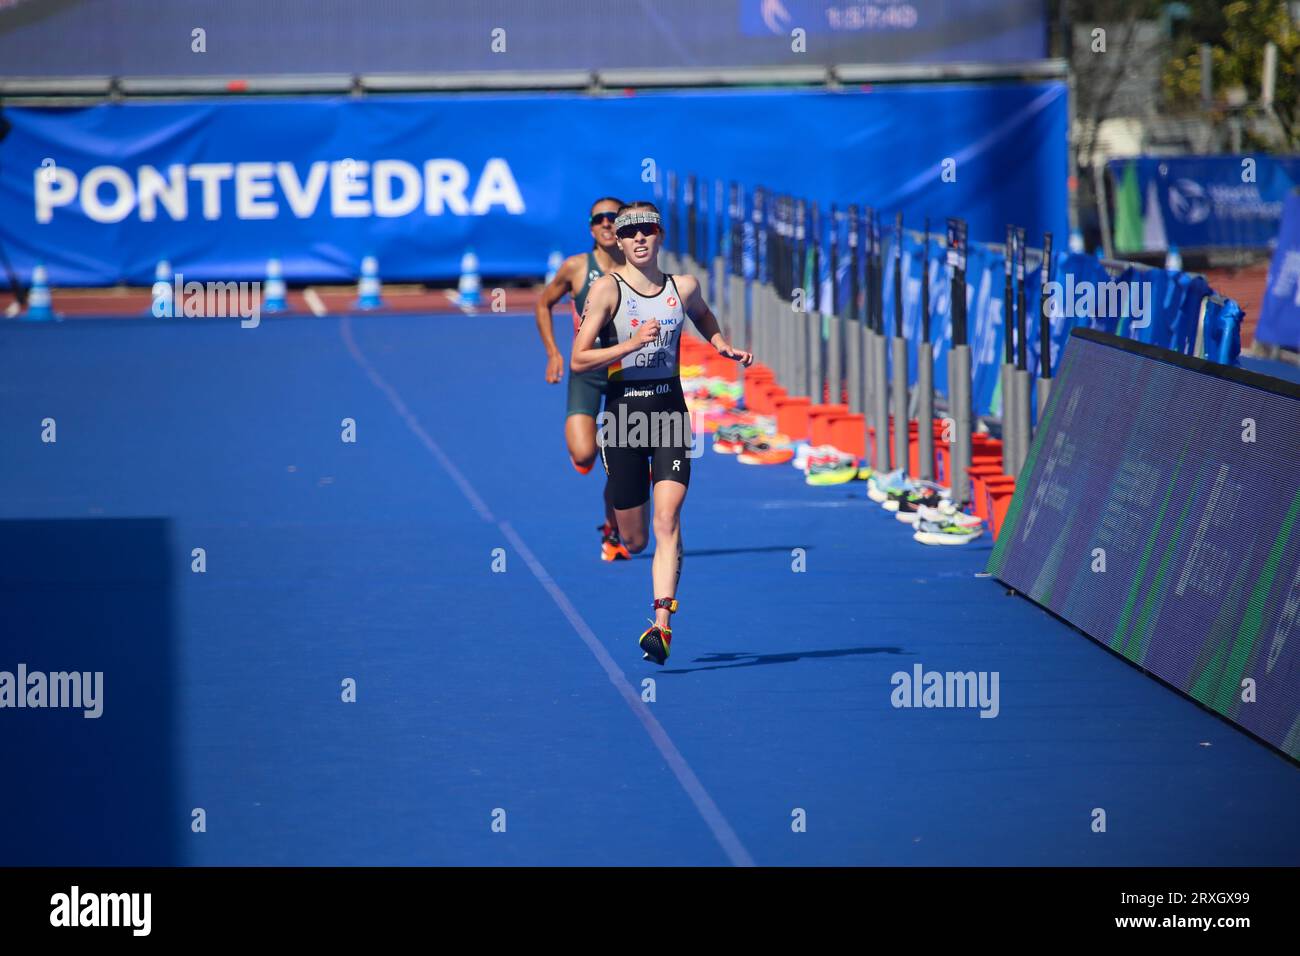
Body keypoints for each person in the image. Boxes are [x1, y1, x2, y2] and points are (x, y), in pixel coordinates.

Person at [571, 201, 753, 664]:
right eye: (628, 232)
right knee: (637, 540)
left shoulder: (682, 286)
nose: (637, 238)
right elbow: (579, 358)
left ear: (660, 235)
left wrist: (720, 343)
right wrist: (630, 344)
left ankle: (661, 624)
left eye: (646, 230)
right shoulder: (608, 291)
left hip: (670, 408)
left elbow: (702, 314)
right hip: (624, 415)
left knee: (668, 518)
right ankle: (617, 529)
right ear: (621, 240)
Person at [534, 197, 631, 561]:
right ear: (591, 227)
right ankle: (594, 451)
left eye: (614, 218)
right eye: (600, 219)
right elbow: (543, 303)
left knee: (620, 463)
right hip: (587, 374)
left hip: (628, 375)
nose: (607, 224)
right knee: (584, 453)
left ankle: (612, 530)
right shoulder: (576, 268)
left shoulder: (639, 267)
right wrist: (553, 352)